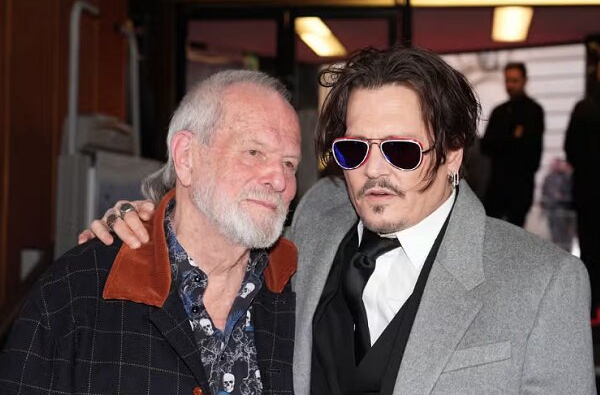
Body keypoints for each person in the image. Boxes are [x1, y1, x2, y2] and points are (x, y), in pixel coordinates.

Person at [82, 47, 595, 394]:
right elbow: (219, 230)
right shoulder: (317, 216)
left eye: (400, 150)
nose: (374, 170)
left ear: (452, 154)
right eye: (355, 149)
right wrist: (144, 221)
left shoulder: (544, 282)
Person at [0, 70, 301, 395]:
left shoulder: (301, 292)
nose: (279, 180)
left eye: (289, 164)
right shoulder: (80, 290)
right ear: (186, 157)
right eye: (254, 152)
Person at [481, 62, 545, 227]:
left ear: (524, 81)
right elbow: (486, 146)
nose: (510, 85)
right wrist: (512, 138)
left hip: (521, 185)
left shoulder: (533, 111)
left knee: (516, 232)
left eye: (514, 81)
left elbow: (532, 152)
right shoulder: (499, 112)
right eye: (507, 81)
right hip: (498, 185)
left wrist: (504, 142)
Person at [564, 60, 600, 324]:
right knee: (590, 251)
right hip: (589, 192)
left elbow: (571, 149)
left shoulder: (584, 108)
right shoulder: (584, 108)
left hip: (588, 190)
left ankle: (590, 310)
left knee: (591, 251)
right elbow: (571, 149)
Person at [540, 158, 575, 252]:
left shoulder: (566, 177)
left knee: (563, 233)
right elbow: (544, 191)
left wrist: (560, 197)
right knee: (553, 232)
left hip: (562, 209)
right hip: (550, 209)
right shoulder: (548, 177)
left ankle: (565, 251)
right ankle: (556, 251)